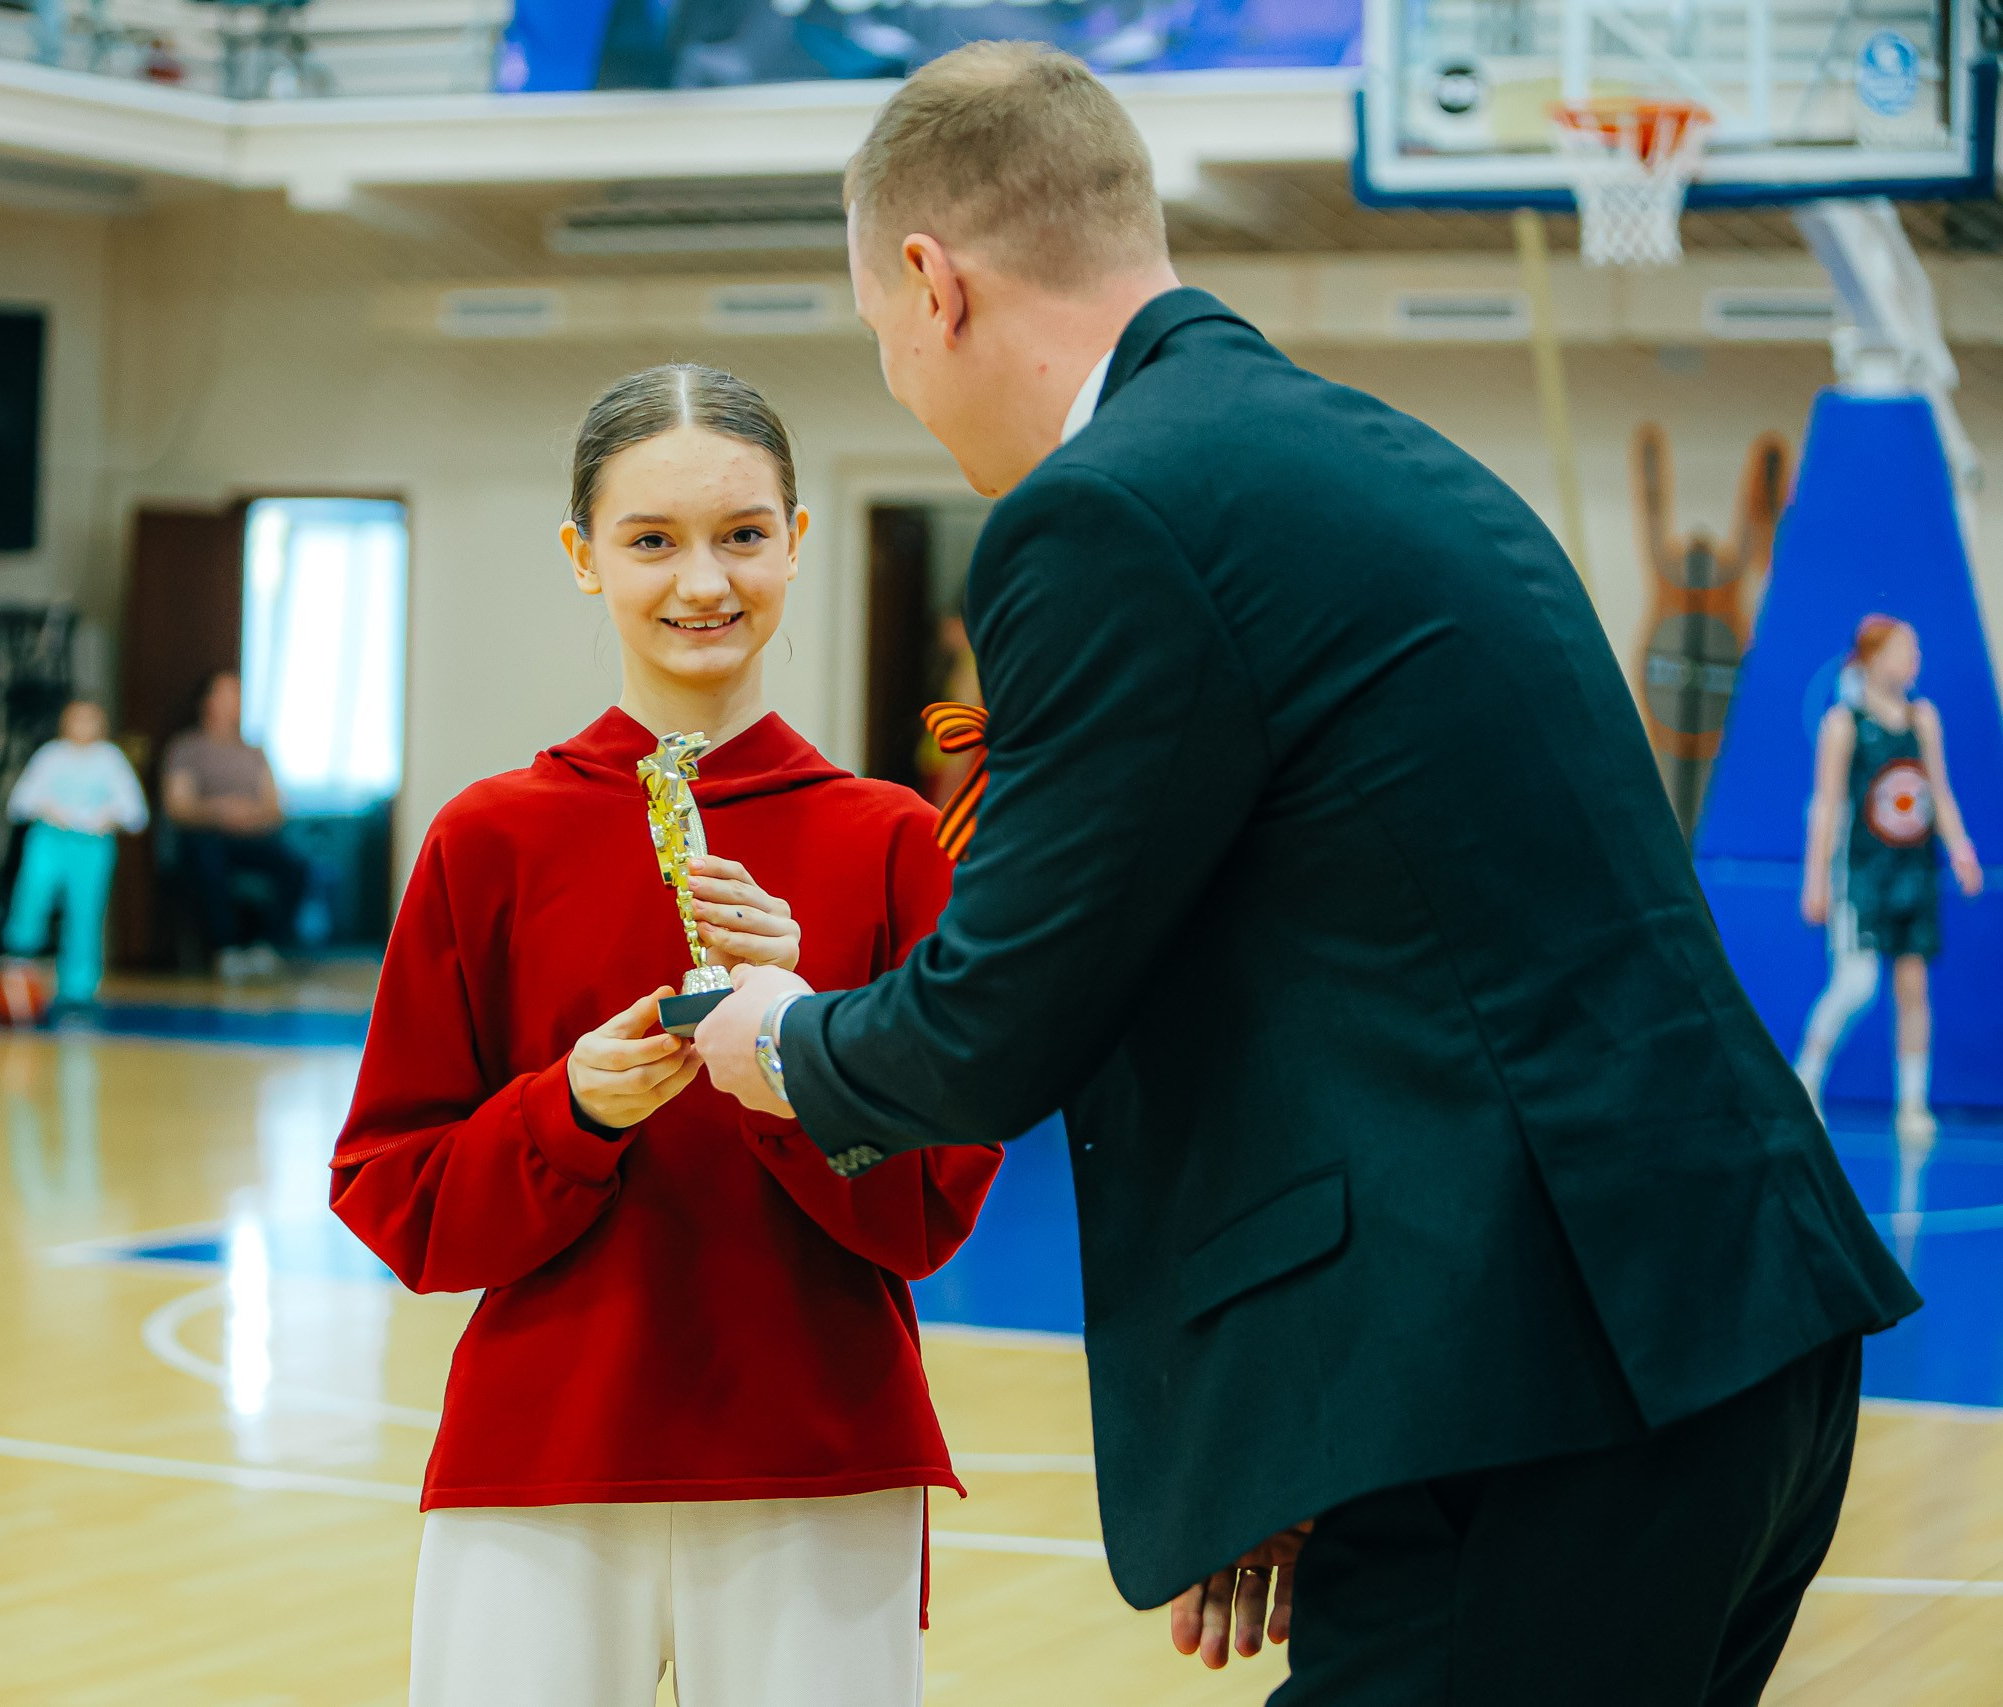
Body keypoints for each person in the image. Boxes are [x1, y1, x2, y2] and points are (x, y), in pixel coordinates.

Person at [696, 42, 1920, 1704]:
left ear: (935, 284)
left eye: (878, 338)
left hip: (1552, 1385)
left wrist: (773, 1040)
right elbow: (1345, 982)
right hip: (1711, 1323)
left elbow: (1004, 1019)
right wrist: (1301, 1419)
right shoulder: (1375, 456)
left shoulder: (1105, 513)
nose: (902, 385)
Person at [330, 365, 1000, 1707]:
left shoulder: (892, 847)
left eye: (744, 533)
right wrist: (565, 1111)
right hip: (541, 1458)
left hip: (822, 1461)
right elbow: (393, 1195)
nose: (705, 578)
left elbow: (928, 1209)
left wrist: (802, 1046)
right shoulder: (489, 836)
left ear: (799, 541)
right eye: (653, 539)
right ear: (585, 557)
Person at [1794, 614, 1983, 1140]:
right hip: (1862, 876)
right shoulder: (1843, 724)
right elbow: (1827, 805)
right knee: (1856, 983)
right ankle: (1803, 1079)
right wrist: (1816, 880)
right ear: (1873, 658)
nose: (1913, 658)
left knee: (1913, 986)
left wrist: (1960, 847)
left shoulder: (1923, 719)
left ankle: (1912, 1104)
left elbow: (1938, 793)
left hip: (1913, 875)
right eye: (1904, 648)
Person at [2, 698, 147, 1012]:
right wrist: (53, 811)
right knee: (32, 894)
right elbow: (21, 802)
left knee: (84, 912)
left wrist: (106, 816)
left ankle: (77, 989)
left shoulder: (110, 759)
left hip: (91, 847)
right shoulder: (51, 756)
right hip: (50, 839)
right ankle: (19, 958)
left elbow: (135, 812)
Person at [161, 670, 308, 979]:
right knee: (209, 860)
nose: (235, 702)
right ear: (208, 701)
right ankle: (225, 950)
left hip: (251, 837)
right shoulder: (187, 748)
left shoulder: (254, 752)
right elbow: (177, 806)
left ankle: (266, 948)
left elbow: (275, 807)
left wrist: (250, 815)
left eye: (238, 695)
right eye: (227, 693)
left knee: (295, 865)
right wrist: (218, 811)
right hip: (205, 837)